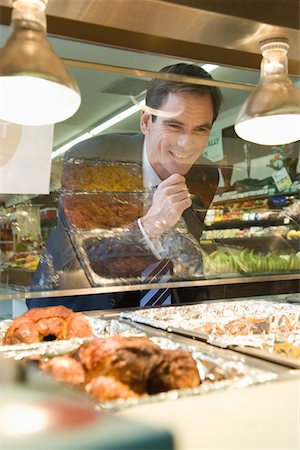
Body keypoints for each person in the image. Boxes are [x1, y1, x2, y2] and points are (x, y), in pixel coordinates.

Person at [27, 63, 222, 311]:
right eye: (174, 125)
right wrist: (150, 225)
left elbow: (181, 253)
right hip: (80, 307)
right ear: (145, 121)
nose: (186, 144)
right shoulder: (94, 160)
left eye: (200, 129)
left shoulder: (205, 174)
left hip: (159, 319)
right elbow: (81, 260)